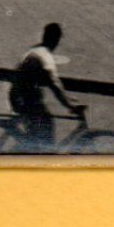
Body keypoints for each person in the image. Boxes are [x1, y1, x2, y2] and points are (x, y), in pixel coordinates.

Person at [8, 22, 84, 150]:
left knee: (37, 133)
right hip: (24, 98)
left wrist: (68, 99)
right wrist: (69, 105)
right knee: (46, 127)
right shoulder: (46, 57)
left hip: (18, 94)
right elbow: (54, 84)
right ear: (56, 40)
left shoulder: (36, 50)